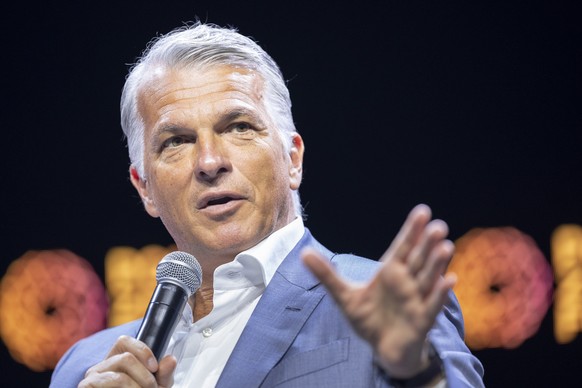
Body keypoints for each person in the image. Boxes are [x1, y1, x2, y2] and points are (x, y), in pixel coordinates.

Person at [50, 22, 484, 387]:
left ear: (292, 159)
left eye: (238, 127)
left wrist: (417, 373)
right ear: (144, 186)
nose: (210, 162)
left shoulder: (379, 306)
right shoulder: (85, 367)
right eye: (177, 141)